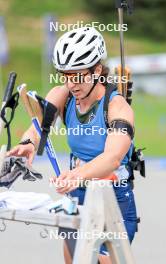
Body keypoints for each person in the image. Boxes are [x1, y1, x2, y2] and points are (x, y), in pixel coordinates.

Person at [8, 27, 138, 264]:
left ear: (97, 70)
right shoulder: (64, 94)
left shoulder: (117, 107)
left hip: (113, 198)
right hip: (77, 197)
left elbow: (112, 159)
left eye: (78, 76)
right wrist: (27, 142)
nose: (71, 84)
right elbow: (39, 123)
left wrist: (77, 175)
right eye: (65, 75)